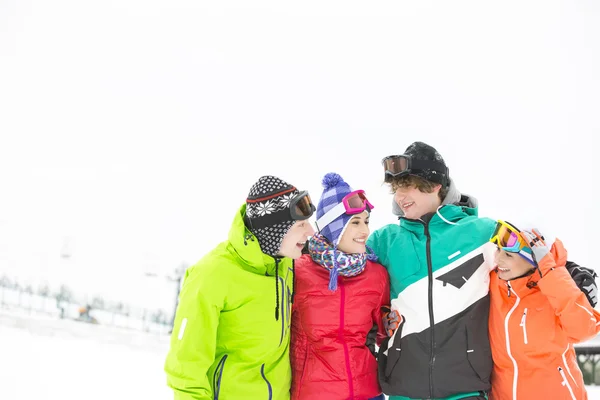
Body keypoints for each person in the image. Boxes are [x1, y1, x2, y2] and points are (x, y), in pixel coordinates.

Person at [164, 176, 316, 399]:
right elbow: (186, 367)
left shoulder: (285, 265)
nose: (310, 231)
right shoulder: (212, 274)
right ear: (274, 229)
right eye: (301, 224)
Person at [368, 142, 497, 400]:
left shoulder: (481, 232)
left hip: (465, 388)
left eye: (407, 187)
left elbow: (531, 254)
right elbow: (350, 280)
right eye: (396, 189)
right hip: (404, 387)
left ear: (435, 185)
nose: (399, 197)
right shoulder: (385, 240)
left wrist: (572, 272)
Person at [290, 173, 390, 400]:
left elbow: (385, 333)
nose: (364, 231)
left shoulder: (376, 275)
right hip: (314, 393)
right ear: (332, 227)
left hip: (367, 392)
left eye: (366, 222)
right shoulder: (297, 272)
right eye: (355, 223)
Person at [488, 221, 600, 400]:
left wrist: (551, 272)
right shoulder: (492, 284)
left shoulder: (555, 291)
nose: (498, 259)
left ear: (535, 260)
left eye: (508, 255)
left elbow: (583, 330)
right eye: (498, 250)